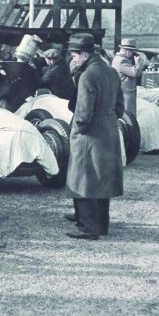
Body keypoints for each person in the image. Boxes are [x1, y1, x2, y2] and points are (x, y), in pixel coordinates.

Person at [64, 33, 125, 240]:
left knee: (83, 178)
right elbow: (120, 107)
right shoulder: (111, 72)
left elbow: (83, 111)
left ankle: (88, 228)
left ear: (83, 54)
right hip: (108, 129)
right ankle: (102, 225)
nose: (74, 59)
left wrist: (78, 130)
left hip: (89, 132)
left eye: (74, 56)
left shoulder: (88, 75)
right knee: (101, 178)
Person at [110, 38, 145, 116]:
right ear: (127, 51)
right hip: (126, 95)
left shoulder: (118, 59)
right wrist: (138, 62)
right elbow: (135, 73)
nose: (132, 54)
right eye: (132, 51)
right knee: (129, 118)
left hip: (124, 93)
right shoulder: (122, 61)